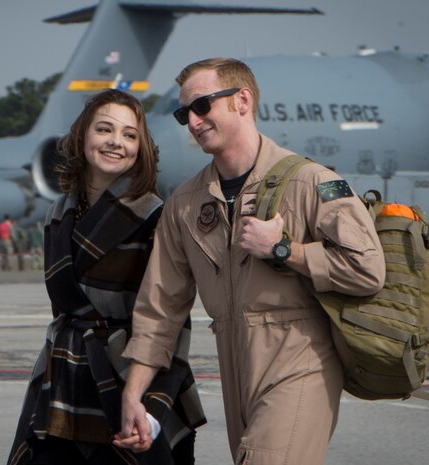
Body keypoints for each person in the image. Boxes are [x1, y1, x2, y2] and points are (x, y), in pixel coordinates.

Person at [115, 58, 386, 465]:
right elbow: (160, 308)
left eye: (202, 105)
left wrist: (285, 250)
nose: (192, 121)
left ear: (242, 100)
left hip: (301, 356)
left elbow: (368, 270)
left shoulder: (312, 181)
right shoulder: (184, 205)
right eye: (183, 112)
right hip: (234, 360)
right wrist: (133, 393)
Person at [6, 89, 205, 465]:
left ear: (141, 147)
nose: (117, 142)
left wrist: (151, 408)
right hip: (64, 375)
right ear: (83, 136)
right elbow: (63, 307)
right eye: (104, 129)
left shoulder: (155, 217)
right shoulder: (56, 214)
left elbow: (171, 319)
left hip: (133, 374)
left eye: (130, 135)